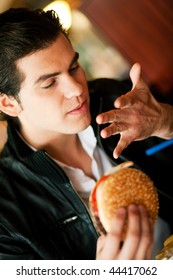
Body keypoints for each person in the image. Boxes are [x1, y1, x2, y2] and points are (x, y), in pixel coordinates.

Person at [0, 7, 169, 260]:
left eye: (74, 66)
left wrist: (167, 120)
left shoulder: (115, 99)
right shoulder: (6, 215)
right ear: (9, 104)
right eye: (50, 83)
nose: (77, 88)